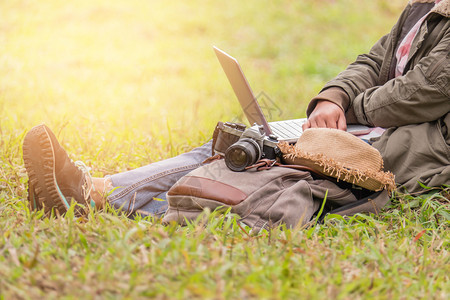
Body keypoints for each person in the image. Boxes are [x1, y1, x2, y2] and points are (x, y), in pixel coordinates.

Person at [23, 0, 449, 217]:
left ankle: (97, 195)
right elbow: (373, 63)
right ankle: (97, 190)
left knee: (275, 167)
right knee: (246, 145)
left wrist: (346, 111)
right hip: (374, 124)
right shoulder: (422, 7)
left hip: (422, 144)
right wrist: (331, 99)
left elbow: (424, 89)